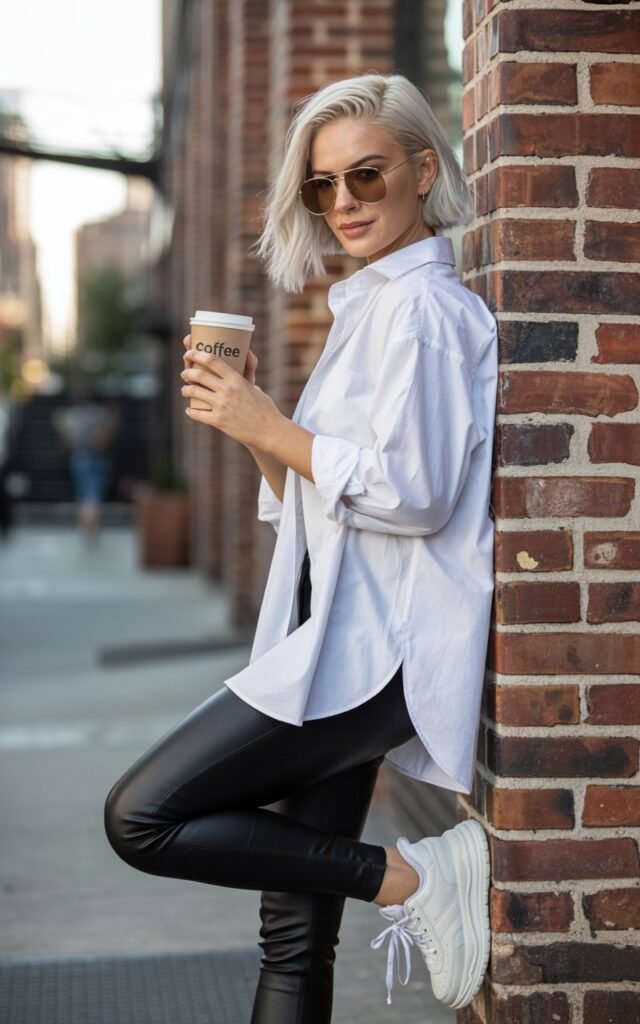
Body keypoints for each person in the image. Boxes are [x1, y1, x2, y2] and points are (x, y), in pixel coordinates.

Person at [104, 73, 497, 1022]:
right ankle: (402, 879)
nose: (346, 203)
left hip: (374, 656)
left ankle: (411, 880)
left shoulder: (427, 316)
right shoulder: (366, 309)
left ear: (422, 170)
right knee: (293, 931)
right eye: (323, 187)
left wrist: (274, 426)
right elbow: (321, 503)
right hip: (334, 636)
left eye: (366, 176)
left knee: (142, 817)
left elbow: (415, 492)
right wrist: (251, 430)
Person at [53, 387, 119, 544]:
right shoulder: (100, 414)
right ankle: (91, 527)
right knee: (94, 493)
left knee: (84, 493)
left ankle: (86, 527)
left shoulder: (73, 415)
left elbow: (66, 438)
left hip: (79, 455)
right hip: (98, 456)